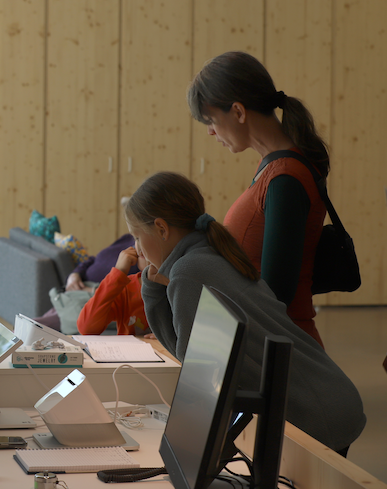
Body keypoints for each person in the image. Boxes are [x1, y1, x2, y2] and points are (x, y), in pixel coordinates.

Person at [124, 171, 365, 454]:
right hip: (329, 395)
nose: (136, 248)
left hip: (314, 412)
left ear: (162, 229)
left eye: (137, 237)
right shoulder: (209, 254)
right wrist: (153, 287)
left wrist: (151, 290)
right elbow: (188, 352)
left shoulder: (188, 272)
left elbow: (197, 372)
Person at [187, 51, 329, 347]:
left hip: (282, 348)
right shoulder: (273, 167)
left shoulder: (285, 178)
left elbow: (275, 293)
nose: (211, 132)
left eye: (212, 120)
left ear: (238, 112)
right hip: (264, 338)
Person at [34, 233, 139, 331]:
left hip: (86, 300)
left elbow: (130, 293)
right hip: (74, 293)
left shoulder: (142, 256)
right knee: (29, 327)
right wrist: (75, 274)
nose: (137, 243)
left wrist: (93, 290)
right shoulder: (128, 238)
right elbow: (92, 259)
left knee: (32, 329)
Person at [75, 245, 150, 336]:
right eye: (136, 238)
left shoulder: (171, 288)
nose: (140, 246)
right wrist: (118, 273)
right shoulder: (127, 288)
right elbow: (86, 328)